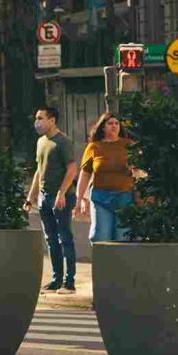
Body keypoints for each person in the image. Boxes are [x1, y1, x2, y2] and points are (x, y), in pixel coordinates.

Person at [24, 106, 77, 294]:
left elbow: (72, 169)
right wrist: (31, 197)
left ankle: (69, 282)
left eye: (40, 118)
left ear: (52, 120)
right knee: (51, 239)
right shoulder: (40, 142)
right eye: (36, 118)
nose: (36, 122)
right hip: (44, 198)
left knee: (65, 238)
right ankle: (56, 279)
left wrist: (62, 193)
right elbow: (39, 170)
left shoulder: (63, 142)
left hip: (61, 197)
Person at [75, 113, 134, 243]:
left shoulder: (129, 145)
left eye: (116, 124)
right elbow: (85, 174)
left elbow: (141, 170)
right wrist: (80, 199)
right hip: (100, 198)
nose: (114, 126)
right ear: (103, 127)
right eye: (110, 123)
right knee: (100, 237)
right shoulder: (94, 147)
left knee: (122, 238)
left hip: (124, 197)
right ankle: (103, 263)